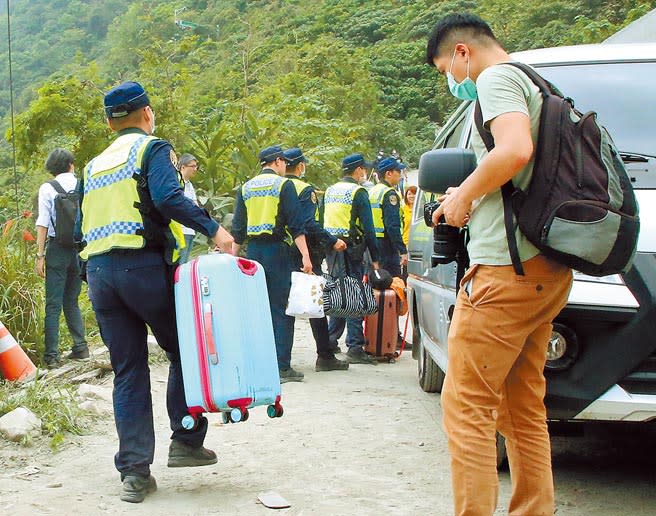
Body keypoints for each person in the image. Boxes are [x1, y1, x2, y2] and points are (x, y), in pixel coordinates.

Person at [425, 13, 573, 515]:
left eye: (446, 66)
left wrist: (465, 196)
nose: (451, 79)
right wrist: (473, 193)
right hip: (543, 270)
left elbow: (514, 150)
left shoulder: (496, 78)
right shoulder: (539, 83)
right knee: (522, 410)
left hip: (503, 275)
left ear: (463, 52)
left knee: (467, 409)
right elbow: (521, 173)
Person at [79, 81, 234, 504]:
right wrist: (214, 229)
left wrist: (90, 276)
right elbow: (168, 197)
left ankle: (134, 472)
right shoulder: (152, 149)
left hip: (99, 274)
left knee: (129, 371)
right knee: (184, 349)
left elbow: (82, 225)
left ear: (108, 121)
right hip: (142, 266)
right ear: (146, 113)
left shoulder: (93, 165)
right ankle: (185, 440)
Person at [231, 145, 313, 383]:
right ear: (277, 161)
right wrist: (306, 258)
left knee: (258, 308)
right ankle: (282, 366)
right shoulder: (283, 185)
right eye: (284, 162)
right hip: (277, 251)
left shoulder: (245, 188)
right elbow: (296, 225)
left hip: (253, 253)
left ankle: (259, 363)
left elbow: (238, 228)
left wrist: (233, 258)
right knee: (281, 309)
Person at [282, 147, 349, 373]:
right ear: (300, 166)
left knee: (282, 303)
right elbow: (309, 224)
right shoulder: (303, 188)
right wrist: (332, 241)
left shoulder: (276, 186)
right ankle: (325, 355)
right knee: (315, 302)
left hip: (280, 249)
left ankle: (281, 359)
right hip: (305, 251)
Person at [323, 153, 380, 365]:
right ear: (358, 170)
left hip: (332, 248)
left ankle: (330, 339)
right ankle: (355, 346)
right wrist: (375, 258)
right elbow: (369, 228)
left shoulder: (330, 191)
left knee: (338, 291)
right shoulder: (358, 192)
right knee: (353, 293)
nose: (364, 172)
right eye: (363, 169)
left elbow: (322, 221)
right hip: (352, 249)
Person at [34, 148, 88, 369]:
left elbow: (43, 223)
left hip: (57, 249)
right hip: (79, 248)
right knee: (72, 300)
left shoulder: (48, 188)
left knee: (53, 304)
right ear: (71, 165)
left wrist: (40, 255)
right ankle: (81, 347)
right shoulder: (82, 184)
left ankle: (52, 356)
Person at [368, 157, 408, 278]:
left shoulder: (372, 191)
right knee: (392, 282)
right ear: (388, 174)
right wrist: (402, 250)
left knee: (376, 281)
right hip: (386, 245)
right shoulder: (389, 193)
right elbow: (392, 225)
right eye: (398, 171)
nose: (400, 175)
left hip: (372, 242)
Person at [178, 153, 200, 264]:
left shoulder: (189, 185)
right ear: (183, 167)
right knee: (179, 265)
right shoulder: (176, 182)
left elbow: (195, 206)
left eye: (196, 166)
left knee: (185, 264)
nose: (195, 169)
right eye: (192, 166)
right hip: (180, 230)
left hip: (189, 230)